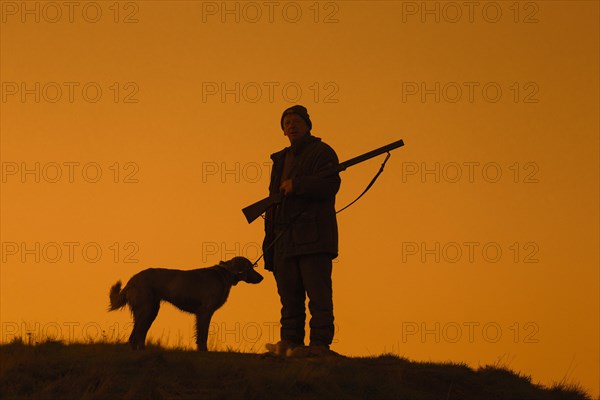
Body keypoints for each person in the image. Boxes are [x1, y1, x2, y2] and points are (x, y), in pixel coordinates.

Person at [263, 105, 341, 357]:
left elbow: (331, 185)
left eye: (296, 121)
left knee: (318, 295)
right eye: (286, 123)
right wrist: (270, 240)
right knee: (289, 297)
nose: (291, 126)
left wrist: (298, 185)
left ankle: (319, 345)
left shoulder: (322, 152)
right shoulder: (280, 159)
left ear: (308, 124)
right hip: (283, 238)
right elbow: (274, 200)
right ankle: (290, 343)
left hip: (314, 237)